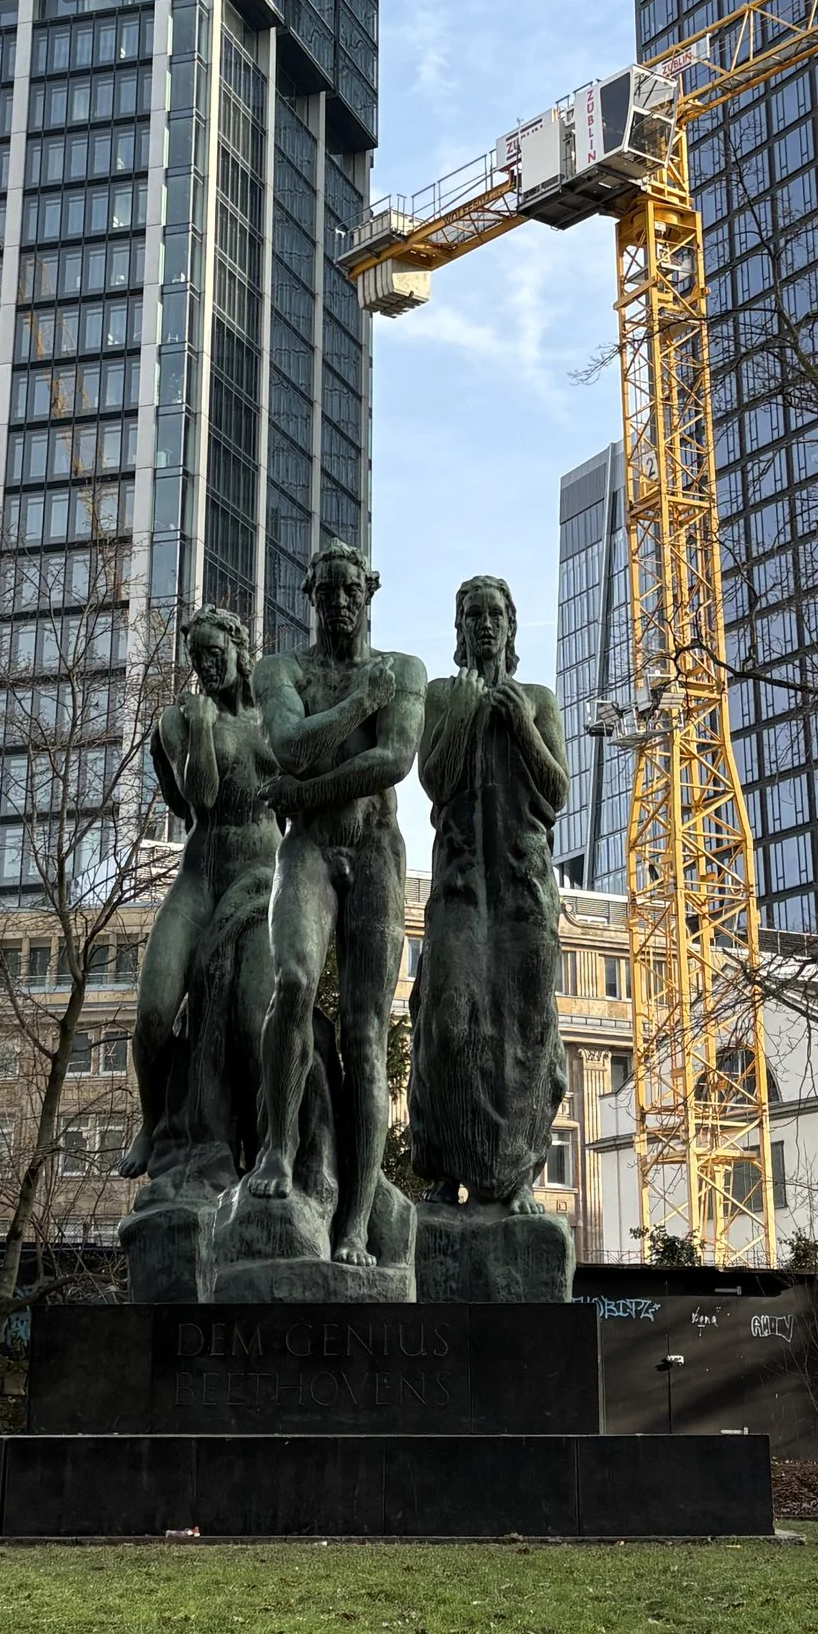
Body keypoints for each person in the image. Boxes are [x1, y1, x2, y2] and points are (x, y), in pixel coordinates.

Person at [244, 541, 425, 1264]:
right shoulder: (282, 670)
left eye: (352, 588)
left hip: (377, 852)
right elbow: (288, 745)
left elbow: (395, 761)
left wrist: (307, 790)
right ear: (309, 596)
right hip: (311, 850)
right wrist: (358, 705)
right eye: (327, 590)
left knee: (364, 1037)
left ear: (370, 592)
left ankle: (353, 1223)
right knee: (290, 981)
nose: (340, 601)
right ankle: (279, 1147)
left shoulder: (405, 670)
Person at [407, 574, 570, 1206]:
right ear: (459, 631)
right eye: (471, 615)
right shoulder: (443, 696)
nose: (482, 624)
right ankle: (445, 1167)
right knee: (447, 1022)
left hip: (524, 889)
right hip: (459, 887)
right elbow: (435, 782)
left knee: (525, 1027)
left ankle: (517, 1176)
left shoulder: (538, 699)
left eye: (492, 614)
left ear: (510, 626)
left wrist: (522, 728)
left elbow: (556, 793)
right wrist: (470, 716)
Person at [118, 606, 279, 1180]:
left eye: (215, 653)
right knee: (155, 1012)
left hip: (260, 884)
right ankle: (152, 1120)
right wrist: (205, 728)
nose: (206, 666)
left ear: (240, 649)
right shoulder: (180, 719)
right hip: (199, 880)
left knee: (254, 1021)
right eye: (197, 658)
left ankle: (266, 1143)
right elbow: (201, 797)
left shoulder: (274, 717)